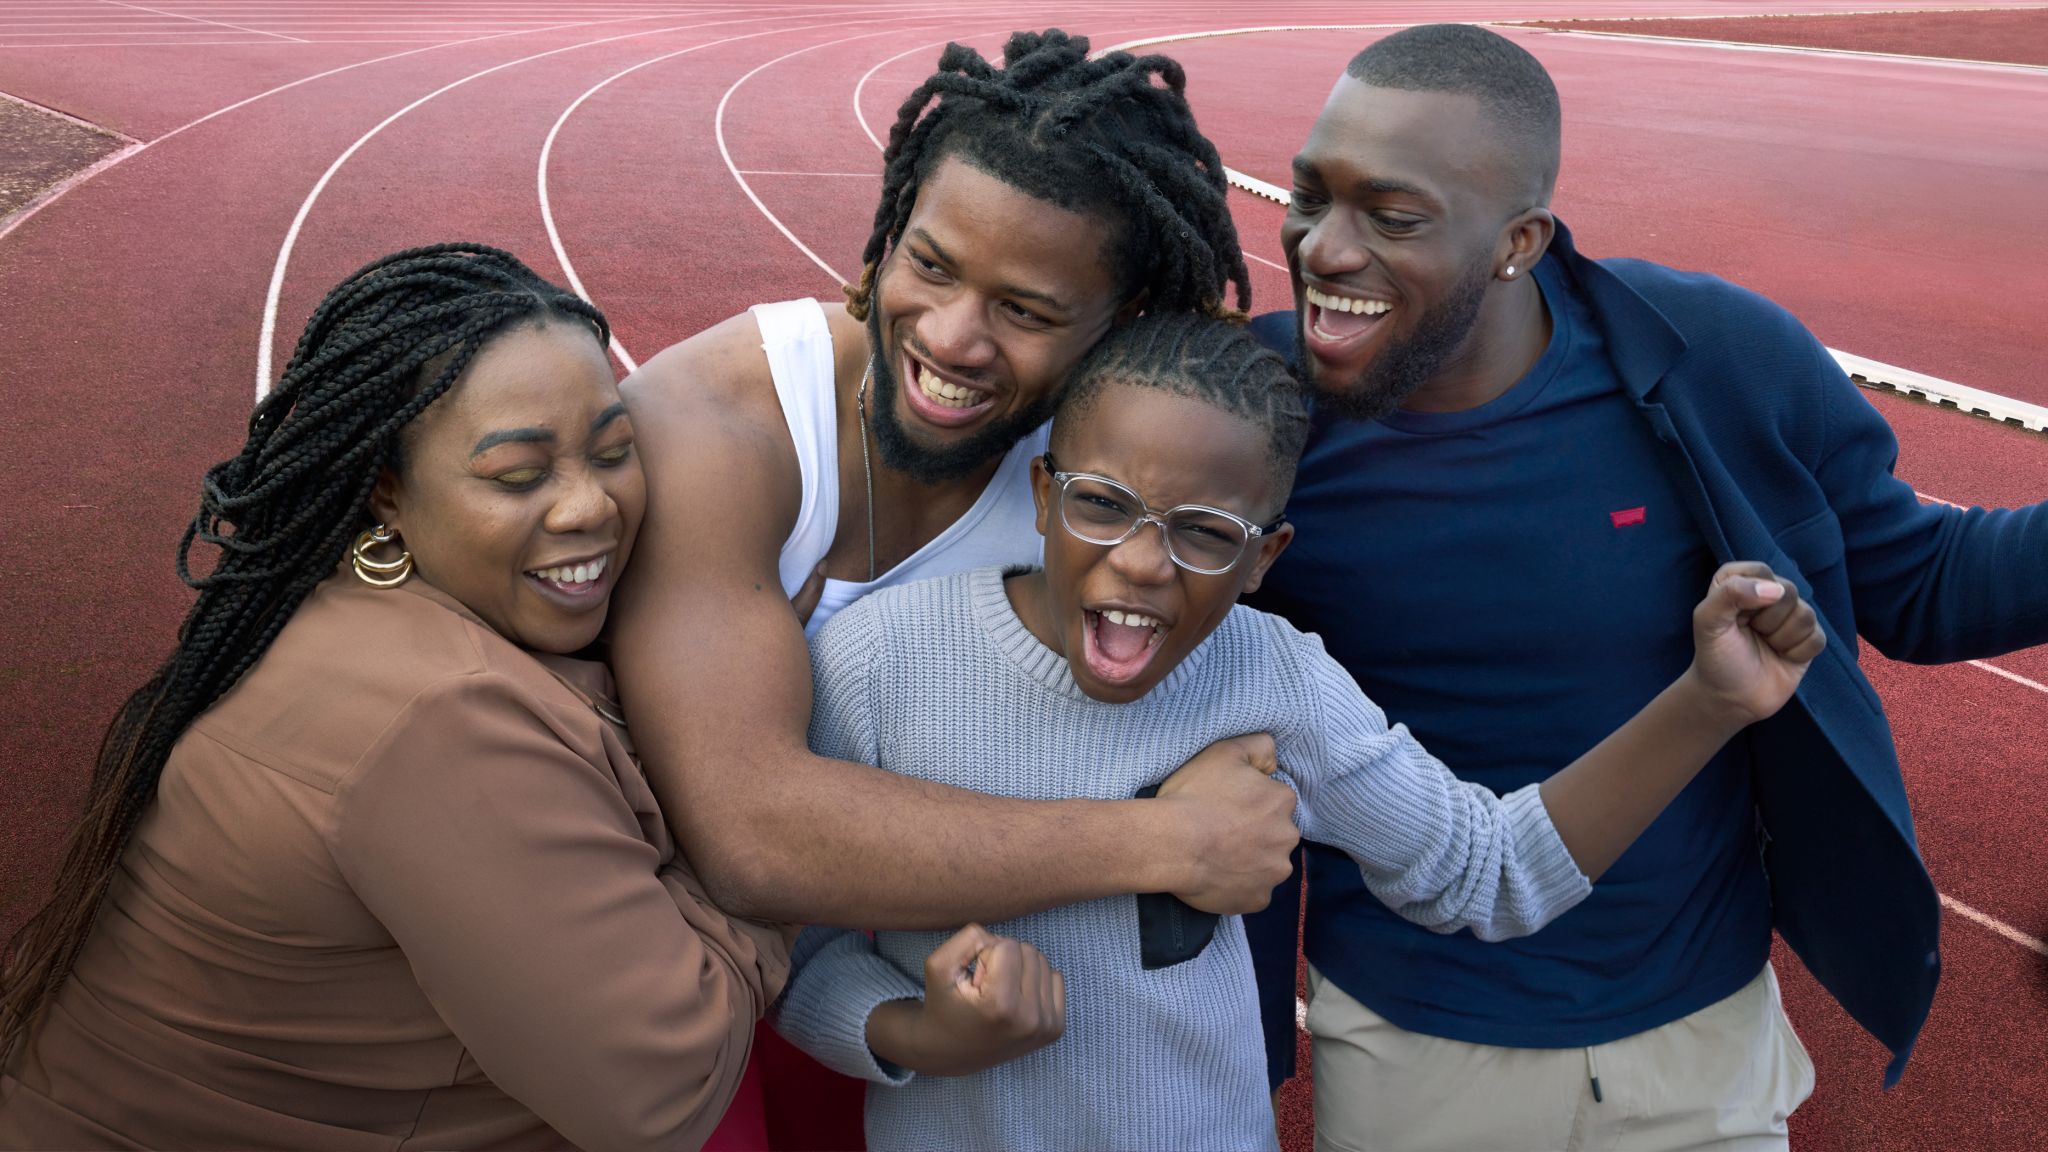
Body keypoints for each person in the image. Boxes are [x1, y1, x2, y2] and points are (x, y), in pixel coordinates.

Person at [1240, 23, 2048, 1152]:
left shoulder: (1710, 355)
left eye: (1391, 215)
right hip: (1413, 1044)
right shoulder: (1250, 422)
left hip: (1698, 1036)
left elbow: (1919, 583)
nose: (1322, 246)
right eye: (1308, 195)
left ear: (1518, 240)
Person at [768, 312, 1825, 1152]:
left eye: (1201, 534)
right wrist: (917, 1035)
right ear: (1043, 494)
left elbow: (1486, 870)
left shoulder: (1270, 677)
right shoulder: (876, 667)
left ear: (1263, 558)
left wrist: (1708, 702)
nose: (1139, 564)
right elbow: (794, 950)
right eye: (1101, 504)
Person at [610, 31, 1302, 1147]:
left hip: (941, 1030)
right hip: (696, 1003)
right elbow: (745, 835)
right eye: (927, 264)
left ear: (1116, 330)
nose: (949, 338)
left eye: (1024, 312)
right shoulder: (720, 423)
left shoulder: (1104, 485)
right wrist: (1166, 843)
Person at [0, 246, 789, 1149]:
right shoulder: (442, 716)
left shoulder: (324, 601)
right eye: (519, 475)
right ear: (387, 490)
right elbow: (668, 1091)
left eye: (614, 452)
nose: (589, 508)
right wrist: (762, 829)